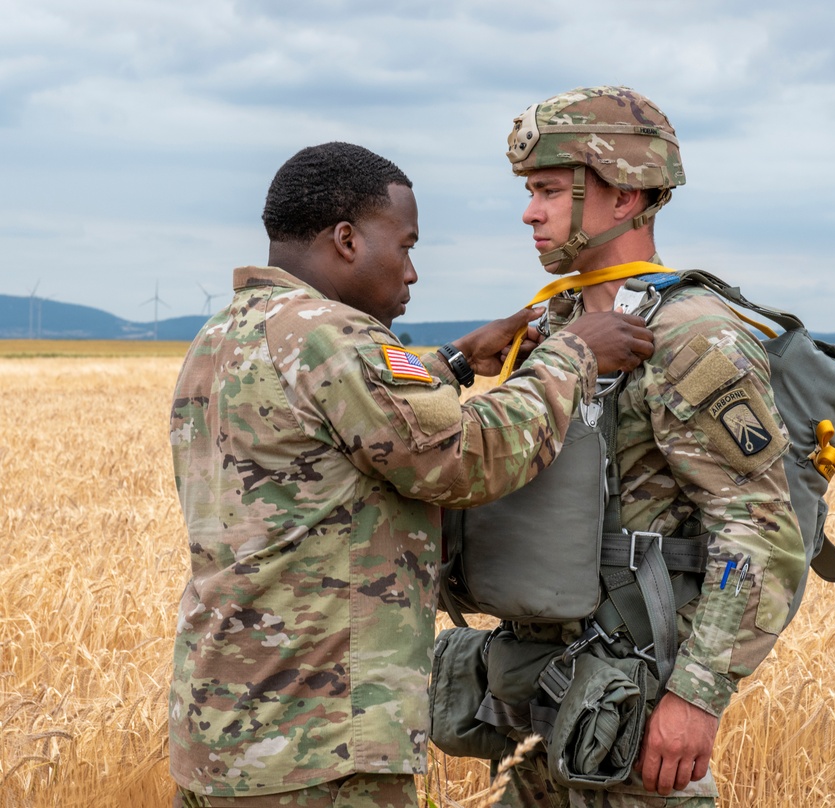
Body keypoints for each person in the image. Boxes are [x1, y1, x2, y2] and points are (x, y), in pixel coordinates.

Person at [167, 141, 655, 808]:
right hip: (318, 742)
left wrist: (454, 361)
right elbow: (467, 459)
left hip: (223, 728)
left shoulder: (227, 335)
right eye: (404, 245)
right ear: (346, 239)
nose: (413, 272)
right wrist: (572, 355)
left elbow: (335, 424)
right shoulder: (332, 336)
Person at [485, 86, 807, 807]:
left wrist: (696, 696)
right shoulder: (556, 328)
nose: (529, 211)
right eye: (528, 191)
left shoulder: (693, 334)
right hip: (540, 702)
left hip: (632, 714)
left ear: (626, 198)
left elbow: (759, 531)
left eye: (546, 190)